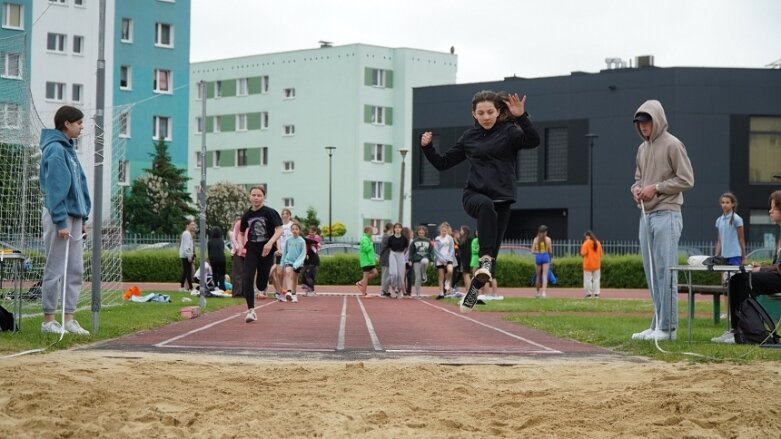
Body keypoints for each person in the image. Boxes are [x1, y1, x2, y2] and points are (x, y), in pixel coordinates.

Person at [421, 90, 540, 311]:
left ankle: (472, 294)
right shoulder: (469, 137)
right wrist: (427, 148)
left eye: (490, 112)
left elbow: (533, 141)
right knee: (485, 209)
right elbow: (443, 163)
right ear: (473, 114)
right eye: (481, 113)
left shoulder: (509, 132)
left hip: (502, 199)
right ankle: (484, 261)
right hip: (474, 195)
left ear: (498, 112)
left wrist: (522, 117)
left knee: (490, 257)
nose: (486, 117)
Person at [630, 99, 694, 341]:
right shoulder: (641, 149)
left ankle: (669, 328)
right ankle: (658, 322)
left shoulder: (673, 144)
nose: (643, 126)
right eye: (639, 122)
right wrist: (636, 189)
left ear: (656, 120)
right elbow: (638, 178)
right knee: (651, 271)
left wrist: (656, 188)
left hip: (667, 212)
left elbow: (687, 180)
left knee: (665, 271)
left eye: (646, 121)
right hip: (646, 215)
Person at [39, 105, 92, 336]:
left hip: (75, 216)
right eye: (79, 123)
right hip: (60, 216)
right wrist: (61, 221)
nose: (82, 127)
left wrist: (83, 216)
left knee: (75, 268)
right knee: (56, 267)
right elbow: (55, 187)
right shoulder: (55, 150)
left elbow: (78, 184)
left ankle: (69, 317)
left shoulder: (69, 150)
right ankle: (49, 319)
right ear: (67, 124)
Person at [713, 190, 781, 344]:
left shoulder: (736, 220)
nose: (770, 211)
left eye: (774, 208)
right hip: (777, 276)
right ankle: (737, 330)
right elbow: (777, 266)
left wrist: (761, 270)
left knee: (744, 280)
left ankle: (749, 332)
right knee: (736, 279)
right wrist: (762, 266)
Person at [240, 186, 283, 323]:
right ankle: (251, 310)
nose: (256, 197)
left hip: (266, 250)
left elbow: (279, 229)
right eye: (253, 195)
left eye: (259, 195)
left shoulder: (270, 212)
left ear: (264, 197)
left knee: (261, 283)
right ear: (250, 197)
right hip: (252, 248)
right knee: (247, 277)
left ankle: (261, 286)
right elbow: (241, 232)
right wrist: (241, 245)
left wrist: (270, 243)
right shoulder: (247, 215)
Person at [714, 191, 747, 268]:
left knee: (735, 277)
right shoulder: (719, 220)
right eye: (723, 202)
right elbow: (719, 240)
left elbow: (741, 239)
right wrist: (716, 256)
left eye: (727, 202)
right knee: (724, 278)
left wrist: (744, 257)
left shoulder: (737, 219)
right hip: (723, 256)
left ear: (733, 204)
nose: (724, 205)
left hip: (735, 255)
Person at [280, 222, 306, 303]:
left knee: (294, 278)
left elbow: (303, 254)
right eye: (293, 229)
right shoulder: (288, 240)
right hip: (288, 261)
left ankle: (294, 294)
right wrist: (282, 263)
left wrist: (296, 264)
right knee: (288, 272)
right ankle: (289, 292)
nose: (294, 231)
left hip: (297, 263)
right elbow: (285, 252)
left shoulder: (302, 241)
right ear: (291, 230)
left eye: (296, 229)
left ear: (299, 230)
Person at [409, 225, 434, 298]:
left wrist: (432, 260)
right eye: (420, 233)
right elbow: (411, 251)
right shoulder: (414, 241)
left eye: (422, 233)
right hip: (416, 261)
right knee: (418, 278)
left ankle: (424, 273)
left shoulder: (428, 241)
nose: (421, 234)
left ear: (425, 233)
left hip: (425, 259)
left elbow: (431, 251)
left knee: (425, 261)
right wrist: (410, 260)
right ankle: (417, 293)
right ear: (417, 233)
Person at [433, 222, 455, 299]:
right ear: (440, 231)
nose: (444, 232)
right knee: (441, 276)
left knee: (450, 270)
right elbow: (436, 250)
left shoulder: (450, 238)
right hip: (440, 259)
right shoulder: (437, 239)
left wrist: (448, 258)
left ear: (447, 231)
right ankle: (441, 293)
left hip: (448, 258)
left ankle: (447, 282)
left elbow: (452, 249)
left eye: (445, 231)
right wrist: (442, 259)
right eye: (442, 231)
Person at [387, 223, 409, 298]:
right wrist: (393, 254)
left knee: (400, 274)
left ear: (401, 229)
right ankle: (392, 288)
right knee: (394, 273)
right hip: (393, 254)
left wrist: (402, 254)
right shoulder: (390, 238)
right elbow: (389, 247)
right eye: (396, 228)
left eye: (399, 228)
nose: (397, 229)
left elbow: (406, 248)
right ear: (394, 229)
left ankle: (400, 290)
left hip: (401, 254)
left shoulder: (404, 238)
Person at [357, 226, 379, 297]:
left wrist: (374, 258)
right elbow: (366, 249)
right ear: (367, 231)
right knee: (366, 277)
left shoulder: (369, 239)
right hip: (365, 261)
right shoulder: (364, 239)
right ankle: (364, 293)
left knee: (375, 273)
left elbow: (371, 251)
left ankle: (360, 282)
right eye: (371, 231)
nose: (372, 232)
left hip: (370, 261)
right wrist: (371, 244)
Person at [531, 225, 553, 299]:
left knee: (538, 276)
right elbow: (550, 251)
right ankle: (544, 293)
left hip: (538, 256)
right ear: (546, 232)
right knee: (544, 275)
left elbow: (532, 251)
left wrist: (538, 252)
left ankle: (537, 293)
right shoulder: (548, 239)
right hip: (545, 256)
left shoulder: (536, 239)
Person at [580, 231, 603, 298]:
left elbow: (582, 253)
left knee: (588, 280)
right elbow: (601, 254)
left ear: (587, 236)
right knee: (596, 280)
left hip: (588, 265)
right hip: (596, 265)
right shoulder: (598, 243)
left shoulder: (586, 243)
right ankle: (596, 294)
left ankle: (589, 294)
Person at [301, 226, 322, 295]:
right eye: (309, 232)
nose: (310, 233)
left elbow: (315, 243)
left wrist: (313, 243)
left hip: (314, 258)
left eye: (312, 232)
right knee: (304, 273)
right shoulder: (307, 237)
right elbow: (306, 242)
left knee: (309, 274)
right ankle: (307, 289)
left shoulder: (317, 237)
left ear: (315, 232)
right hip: (307, 258)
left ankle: (311, 290)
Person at [179, 220, 197, 294]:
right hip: (186, 255)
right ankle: (187, 287)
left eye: (194, 225)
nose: (193, 226)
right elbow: (187, 246)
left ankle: (185, 287)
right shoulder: (186, 234)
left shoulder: (187, 234)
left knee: (187, 271)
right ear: (187, 225)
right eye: (192, 225)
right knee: (187, 272)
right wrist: (189, 256)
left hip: (186, 255)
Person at [208, 226, 227, 292]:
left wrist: (209, 260)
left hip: (213, 259)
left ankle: (216, 286)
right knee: (222, 273)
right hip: (221, 258)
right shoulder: (221, 241)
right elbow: (223, 249)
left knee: (214, 273)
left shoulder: (210, 241)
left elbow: (209, 251)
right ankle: (222, 286)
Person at [229, 216, 245, 297]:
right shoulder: (239, 223)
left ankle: (245, 292)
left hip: (248, 253)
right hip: (238, 252)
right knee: (238, 273)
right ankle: (237, 293)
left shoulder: (252, 224)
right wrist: (238, 247)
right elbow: (234, 237)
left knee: (246, 274)